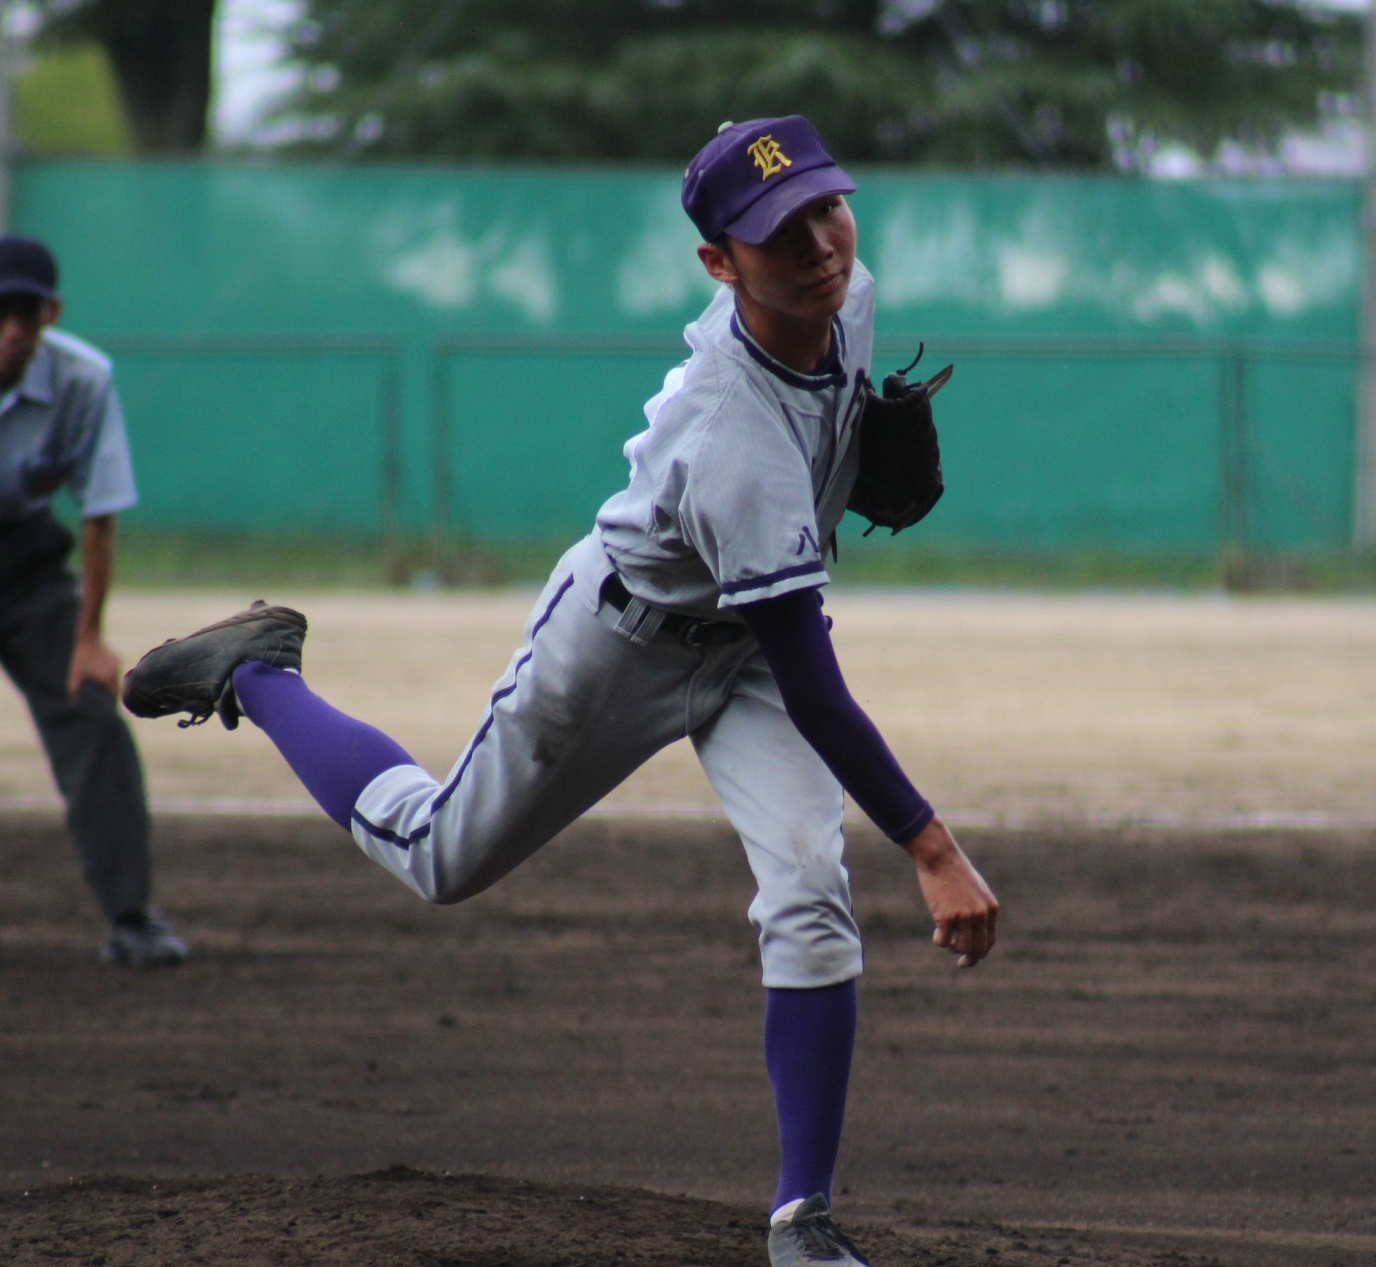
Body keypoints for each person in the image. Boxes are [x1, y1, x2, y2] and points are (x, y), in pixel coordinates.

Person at [123, 116, 998, 1267]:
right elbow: (817, 685)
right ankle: (259, 669)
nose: (818, 245)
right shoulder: (724, 432)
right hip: (620, 648)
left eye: (826, 207)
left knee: (808, 892)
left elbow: (790, 621)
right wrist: (931, 847)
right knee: (440, 857)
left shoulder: (851, 294)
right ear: (719, 265)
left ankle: (803, 1218)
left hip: (747, 650)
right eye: (777, 234)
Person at [0, 235, 186, 967]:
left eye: (29, 312)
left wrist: (90, 638)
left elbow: (100, 515)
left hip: (25, 562)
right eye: (0, 313)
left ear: (52, 313)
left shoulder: (83, 380)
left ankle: (131, 915)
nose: (15, 329)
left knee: (89, 713)